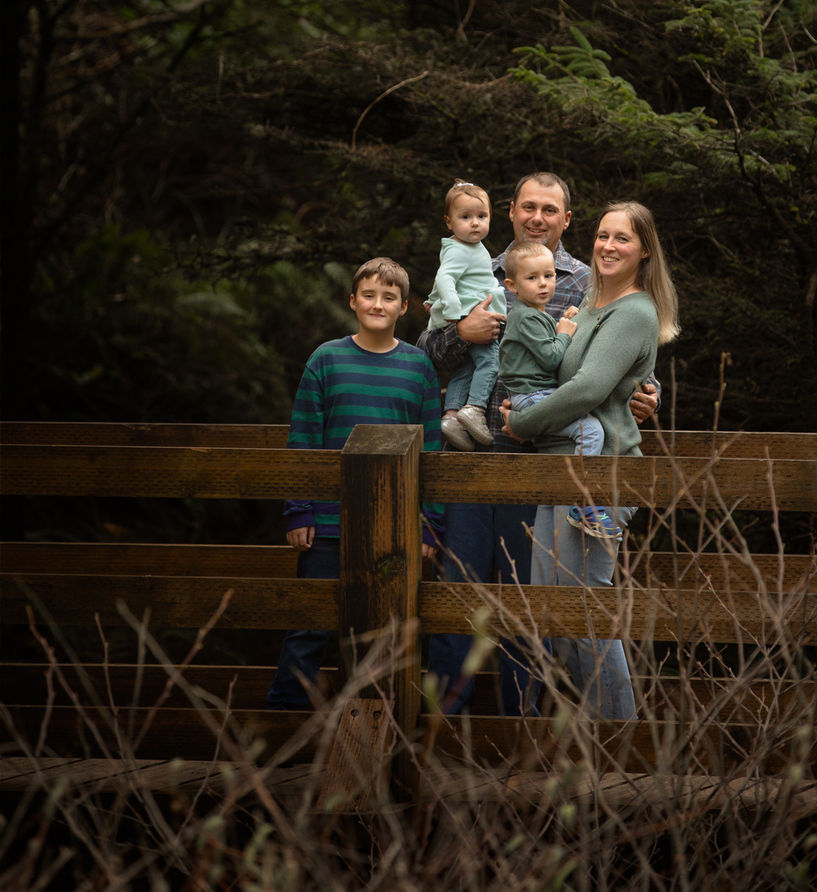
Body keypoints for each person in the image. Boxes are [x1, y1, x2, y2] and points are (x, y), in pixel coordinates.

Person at [422, 172, 660, 715]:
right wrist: (462, 335)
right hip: (474, 455)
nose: (537, 217)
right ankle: (443, 730)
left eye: (549, 210)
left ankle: (524, 726)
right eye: (528, 207)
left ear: (567, 219)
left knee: (538, 608)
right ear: (510, 211)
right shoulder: (477, 262)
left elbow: (622, 360)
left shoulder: (588, 280)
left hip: (548, 459)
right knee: (461, 595)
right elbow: (426, 352)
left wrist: (650, 396)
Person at [504, 200, 679, 720]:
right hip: (561, 469)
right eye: (603, 235)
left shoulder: (635, 310)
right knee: (551, 609)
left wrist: (523, 422)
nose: (607, 246)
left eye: (622, 238)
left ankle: (622, 742)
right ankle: (596, 731)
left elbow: (590, 388)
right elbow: (559, 370)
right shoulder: (585, 299)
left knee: (583, 611)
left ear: (644, 250)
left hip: (604, 476)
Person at [266, 257, 443, 710]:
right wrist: (299, 509)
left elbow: (432, 453)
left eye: (388, 297)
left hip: (395, 527)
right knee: (310, 626)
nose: (377, 304)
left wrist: (427, 526)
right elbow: (303, 437)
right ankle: (284, 725)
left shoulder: (419, 367)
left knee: (386, 631)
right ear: (352, 300)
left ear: (405, 307)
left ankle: (375, 730)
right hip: (326, 522)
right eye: (368, 295)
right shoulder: (326, 359)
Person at [499, 239, 620, 540]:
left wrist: (561, 324)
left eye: (549, 276)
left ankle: (570, 506)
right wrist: (565, 333)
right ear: (511, 286)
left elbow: (544, 345)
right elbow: (552, 357)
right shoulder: (525, 316)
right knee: (591, 431)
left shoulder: (533, 314)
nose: (543, 284)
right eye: (532, 278)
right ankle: (583, 504)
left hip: (535, 395)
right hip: (533, 398)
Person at [426, 180, 508, 451]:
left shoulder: (468, 248)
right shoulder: (462, 249)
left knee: (466, 368)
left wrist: (433, 300)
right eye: (466, 217)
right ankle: (474, 408)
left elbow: (456, 279)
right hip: (471, 317)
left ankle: (451, 416)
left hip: (468, 313)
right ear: (449, 222)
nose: (475, 223)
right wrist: (449, 309)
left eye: (481, 216)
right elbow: (445, 276)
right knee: (490, 363)